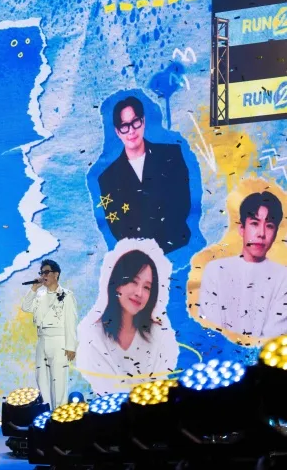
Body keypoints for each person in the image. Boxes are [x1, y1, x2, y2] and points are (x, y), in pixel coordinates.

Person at [76, 239, 179, 394]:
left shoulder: (159, 334)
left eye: (147, 287)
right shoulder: (94, 336)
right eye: (133, 281)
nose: (139, 293)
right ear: (118, 284)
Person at [97, 95, 192, 253]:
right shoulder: (107, 178)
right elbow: (117, 227)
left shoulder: (171, 155)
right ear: (117, 132)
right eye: (124, 126)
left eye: (135, 122)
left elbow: (182, 204)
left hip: (178, 247)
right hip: (140, 257)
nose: (131, 131)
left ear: (143, 121)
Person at [200, 191, 287, 340]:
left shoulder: (283, 277)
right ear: (242, 229)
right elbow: (210, 330)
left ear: (275, 233)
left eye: (269, 226)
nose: (261, 233)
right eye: (254, 223)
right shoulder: (215, 271)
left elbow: (274, 337)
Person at [21, 259, 77, 409]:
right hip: (42, 340)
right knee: (42, 380)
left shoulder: (67, 295)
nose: (43, 276)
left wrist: (71, 346)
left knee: (59, 381)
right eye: (41, 273)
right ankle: (46, 413)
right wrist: (33, 289)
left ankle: (60, 415)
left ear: (56, 274)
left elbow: (71, 322)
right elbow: (25, 307)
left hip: (59, 341)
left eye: (46, 272)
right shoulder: (39, 295)